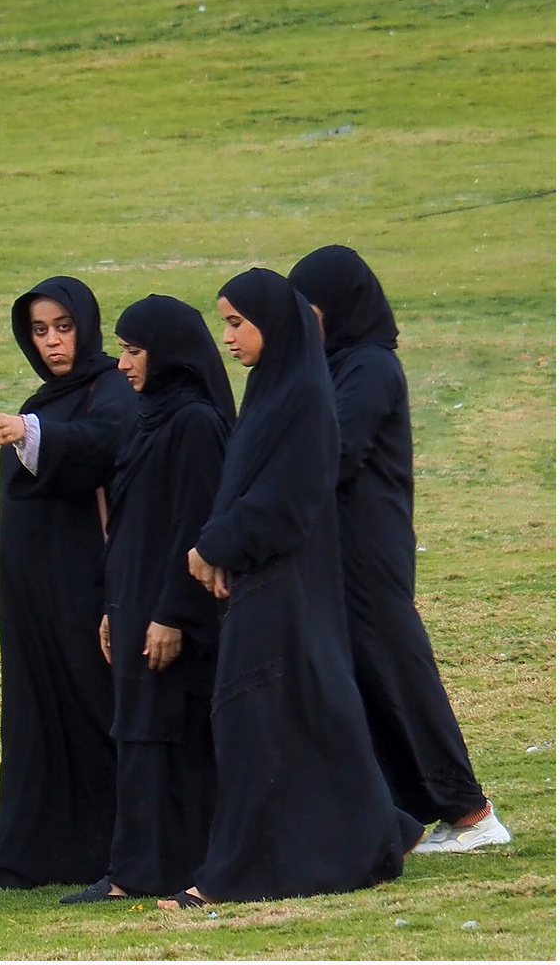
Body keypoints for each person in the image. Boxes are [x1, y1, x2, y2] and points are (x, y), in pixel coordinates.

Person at [159, 268, 423, 909]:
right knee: (312, 716)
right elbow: (245, 487)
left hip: (286, 584)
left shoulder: (304, 397)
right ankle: (380, 833)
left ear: (273, 326)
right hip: (270, 581)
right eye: (224, 321)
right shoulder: (275, 390)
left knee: (260, 725)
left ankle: (232, 876)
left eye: (236, 322)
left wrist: (215, 546)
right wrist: (217, 543)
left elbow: (290, 499)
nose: (227, 336)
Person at [287, 245, 510, 853]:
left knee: (398, 673)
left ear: (336, 307)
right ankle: (404, 813)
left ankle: (470, 814)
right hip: (337, 547)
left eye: (307, 310)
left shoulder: (369, 366)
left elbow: (338, 451)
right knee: (364, 675)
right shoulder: (334, 364)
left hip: (368, 547)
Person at [0, 275, 137, 896]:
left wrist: (35, 435)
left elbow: (109, 445)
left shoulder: (110, 390)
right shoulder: (45, 397)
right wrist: (32, 426)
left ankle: (123, 851)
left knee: (99, 709)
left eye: (63, 327)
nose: (51, 343)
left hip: (86, 586)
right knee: (35, 717)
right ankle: (25, 857)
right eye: (40, 331)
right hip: (31, 593)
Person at [61, 295, 236, 903]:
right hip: (134, 601)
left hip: (169, 610)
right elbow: (132, 523)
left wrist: (172, 613)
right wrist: (115, 607)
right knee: (137, 731)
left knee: (169, 735)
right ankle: (133, 869)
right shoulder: (149, 416)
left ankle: (157, 869)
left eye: (134, 351)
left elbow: (195, 528)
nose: (122, 364)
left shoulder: (193, 423)